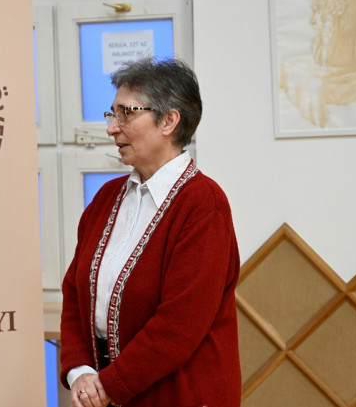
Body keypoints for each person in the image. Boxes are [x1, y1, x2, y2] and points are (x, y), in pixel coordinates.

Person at [59, 57, 241, 407]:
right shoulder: (106, 198)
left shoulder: (204, 205)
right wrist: (79, 371)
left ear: (169, 121)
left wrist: (106, 386)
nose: (112, 128)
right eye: (112, 115)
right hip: (107, 391)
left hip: (180, 396)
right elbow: (74, 292)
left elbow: (179, 326)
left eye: (126, 114)